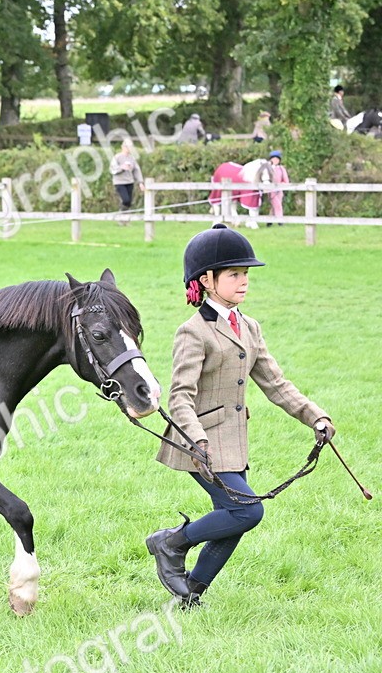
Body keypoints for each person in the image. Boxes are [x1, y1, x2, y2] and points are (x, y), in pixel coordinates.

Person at [147, 224, 334, 608]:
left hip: (234, 442)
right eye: (234, 274)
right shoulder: (193, 332)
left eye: (246, 274)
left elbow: (276, 384)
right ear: (207, 280)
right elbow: (180, 397)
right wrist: (197, 440)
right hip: (198, 443)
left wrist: (316, 416)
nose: (244, 281)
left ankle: (190, 597)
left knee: (232, 520)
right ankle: (169, 542)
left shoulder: (249, 327)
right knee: (247, 511)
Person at [109, 138, 144, 220]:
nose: (129, 149)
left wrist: (140, 182)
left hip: (129, 182)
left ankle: (124, 219)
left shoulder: (132, 158)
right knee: (126, 200)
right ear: (123, 147)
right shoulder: (117, 157)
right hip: (119, 182)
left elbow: (136, 170)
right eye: (127, 147)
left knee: (129, 202)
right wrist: (122, 168)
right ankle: (121, 214)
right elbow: (112, 169)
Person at [265, 150, 288, 226]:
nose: (275, 161)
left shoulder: (281, 169)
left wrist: (281, 185)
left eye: (277, 159)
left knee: (274, 206)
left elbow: (286, 180)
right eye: (274, 159)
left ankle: (269, 221)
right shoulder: (268, 168)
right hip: (271, 190)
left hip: (279, 190)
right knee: (277, 205)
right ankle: (280, 221)